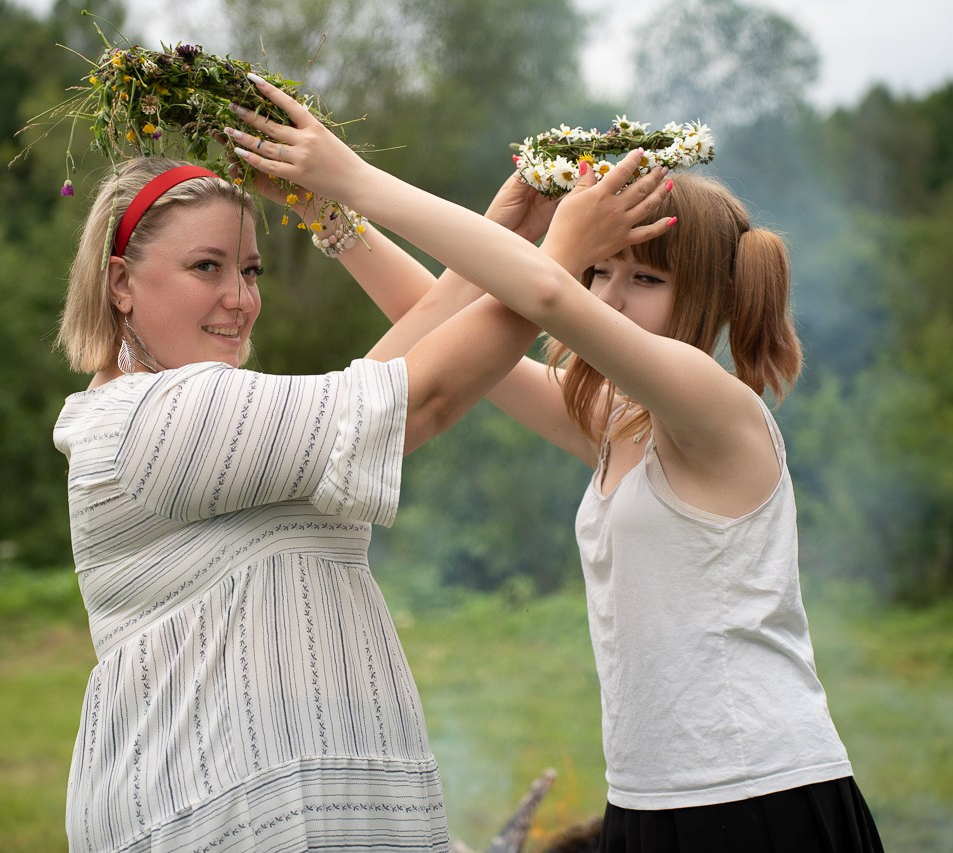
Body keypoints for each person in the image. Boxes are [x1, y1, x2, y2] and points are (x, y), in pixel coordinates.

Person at [234, 80, 885, 851]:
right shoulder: (620, 425)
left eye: (645, 279)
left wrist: (355, 175)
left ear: (706, 295)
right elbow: (463, 330)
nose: (608, 298)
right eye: (601, 272)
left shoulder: (718, 410)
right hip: (650, 800)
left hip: (757, 798)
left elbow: (543, 288)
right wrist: (331, 217)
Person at [51, 72, 674, 851]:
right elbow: (422, 397)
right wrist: (558, 259)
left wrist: (501, 237)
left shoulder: (204, 419)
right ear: (120, 285)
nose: (240, 298)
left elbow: (382, 382)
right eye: (206, 267)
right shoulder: (159, 414)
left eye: (250, 271)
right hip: (216, 817)